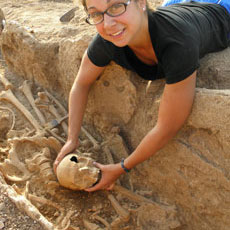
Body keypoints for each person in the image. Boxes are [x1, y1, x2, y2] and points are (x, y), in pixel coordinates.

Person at [53, 0, 230, 191]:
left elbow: (167, 127)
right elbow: (81, 83)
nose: (108, 24)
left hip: (221, 10)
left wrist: (122, 167)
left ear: (141, 2)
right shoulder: (108, 40)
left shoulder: (178, 44)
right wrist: (72, 138)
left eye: (116, 7)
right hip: (176, 6)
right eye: (96, 14)